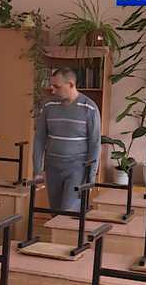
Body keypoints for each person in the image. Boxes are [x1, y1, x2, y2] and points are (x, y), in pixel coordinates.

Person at [32, 68, 101, 211]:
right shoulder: (48, 106)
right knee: (56, 213)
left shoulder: (89, 108)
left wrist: (91, 177)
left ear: (71, 84)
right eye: (52, 86)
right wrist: (37, 170)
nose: (53, 90)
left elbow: (95, 144)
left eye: (57, 87)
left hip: (77, 169)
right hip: (52, 167)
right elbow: (39, 138)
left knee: (68, 212)